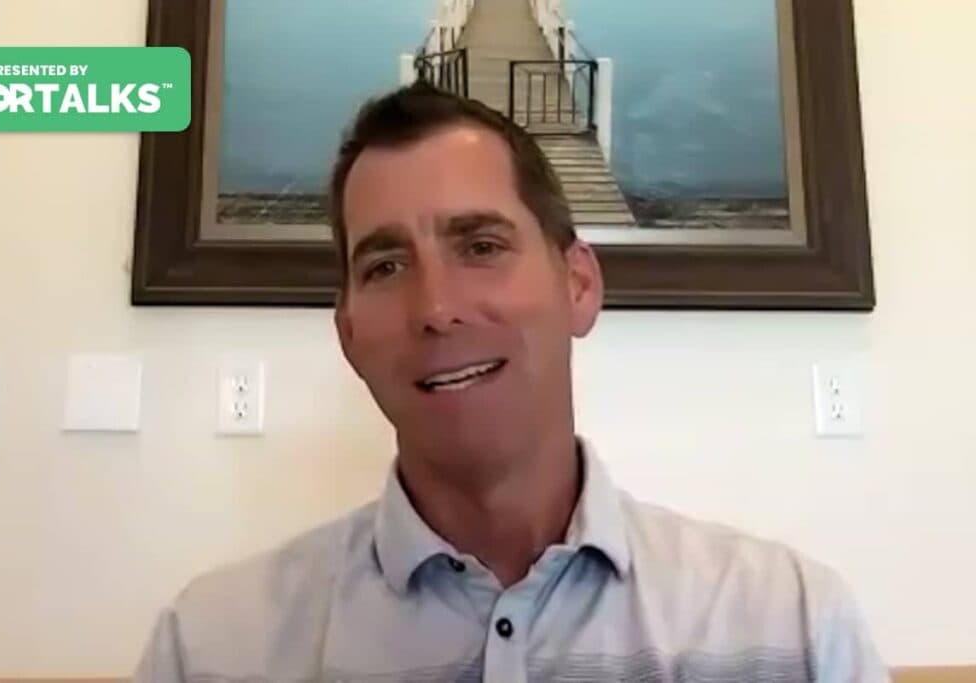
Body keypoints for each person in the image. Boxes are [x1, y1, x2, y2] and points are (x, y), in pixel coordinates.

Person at [134, 81, 889, 682]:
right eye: (386, 266)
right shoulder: (210, 650)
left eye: (481, 246)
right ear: (349, 334)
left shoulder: (791, 628)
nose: (436, 308)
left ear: (579, 285)